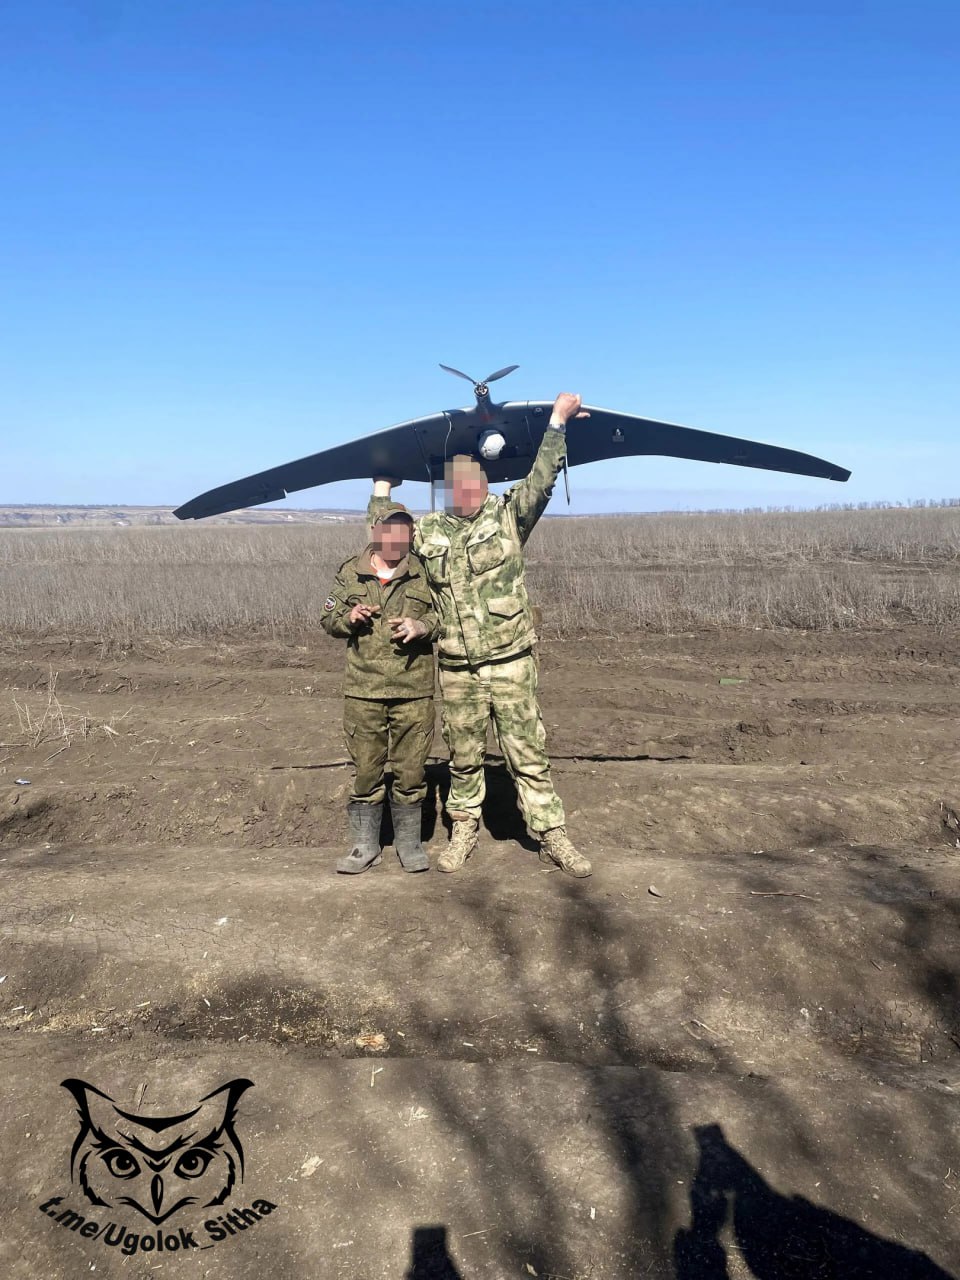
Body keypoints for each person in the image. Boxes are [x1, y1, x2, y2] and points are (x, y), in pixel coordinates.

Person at [369, 390, 591, 878]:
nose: (465, 491)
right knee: (463, 756)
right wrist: (382, 491)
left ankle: (552, 835)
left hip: (511, 663)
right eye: (456, 484)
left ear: (485, 482)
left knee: (528, 752)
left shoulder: (510, 517)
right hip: (457, 668)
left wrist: (556, 423)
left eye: (472, 481)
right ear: (447, 488)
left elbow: (541, 480)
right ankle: (463, 828)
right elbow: (385, 541)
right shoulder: (429, 533)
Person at [320, 504, 440, 874]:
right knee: (367, 772)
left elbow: (446, 616)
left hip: (412, 689)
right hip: (363, 690)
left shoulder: (425, 572)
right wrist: (349, 619)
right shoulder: (350, 573)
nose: (396, 539)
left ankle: (409, 843)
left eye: (403, 532)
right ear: (375, 531)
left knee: (411, 772)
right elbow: (327, 618)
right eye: (389, 531)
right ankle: (363, 845)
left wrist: (422, 627)